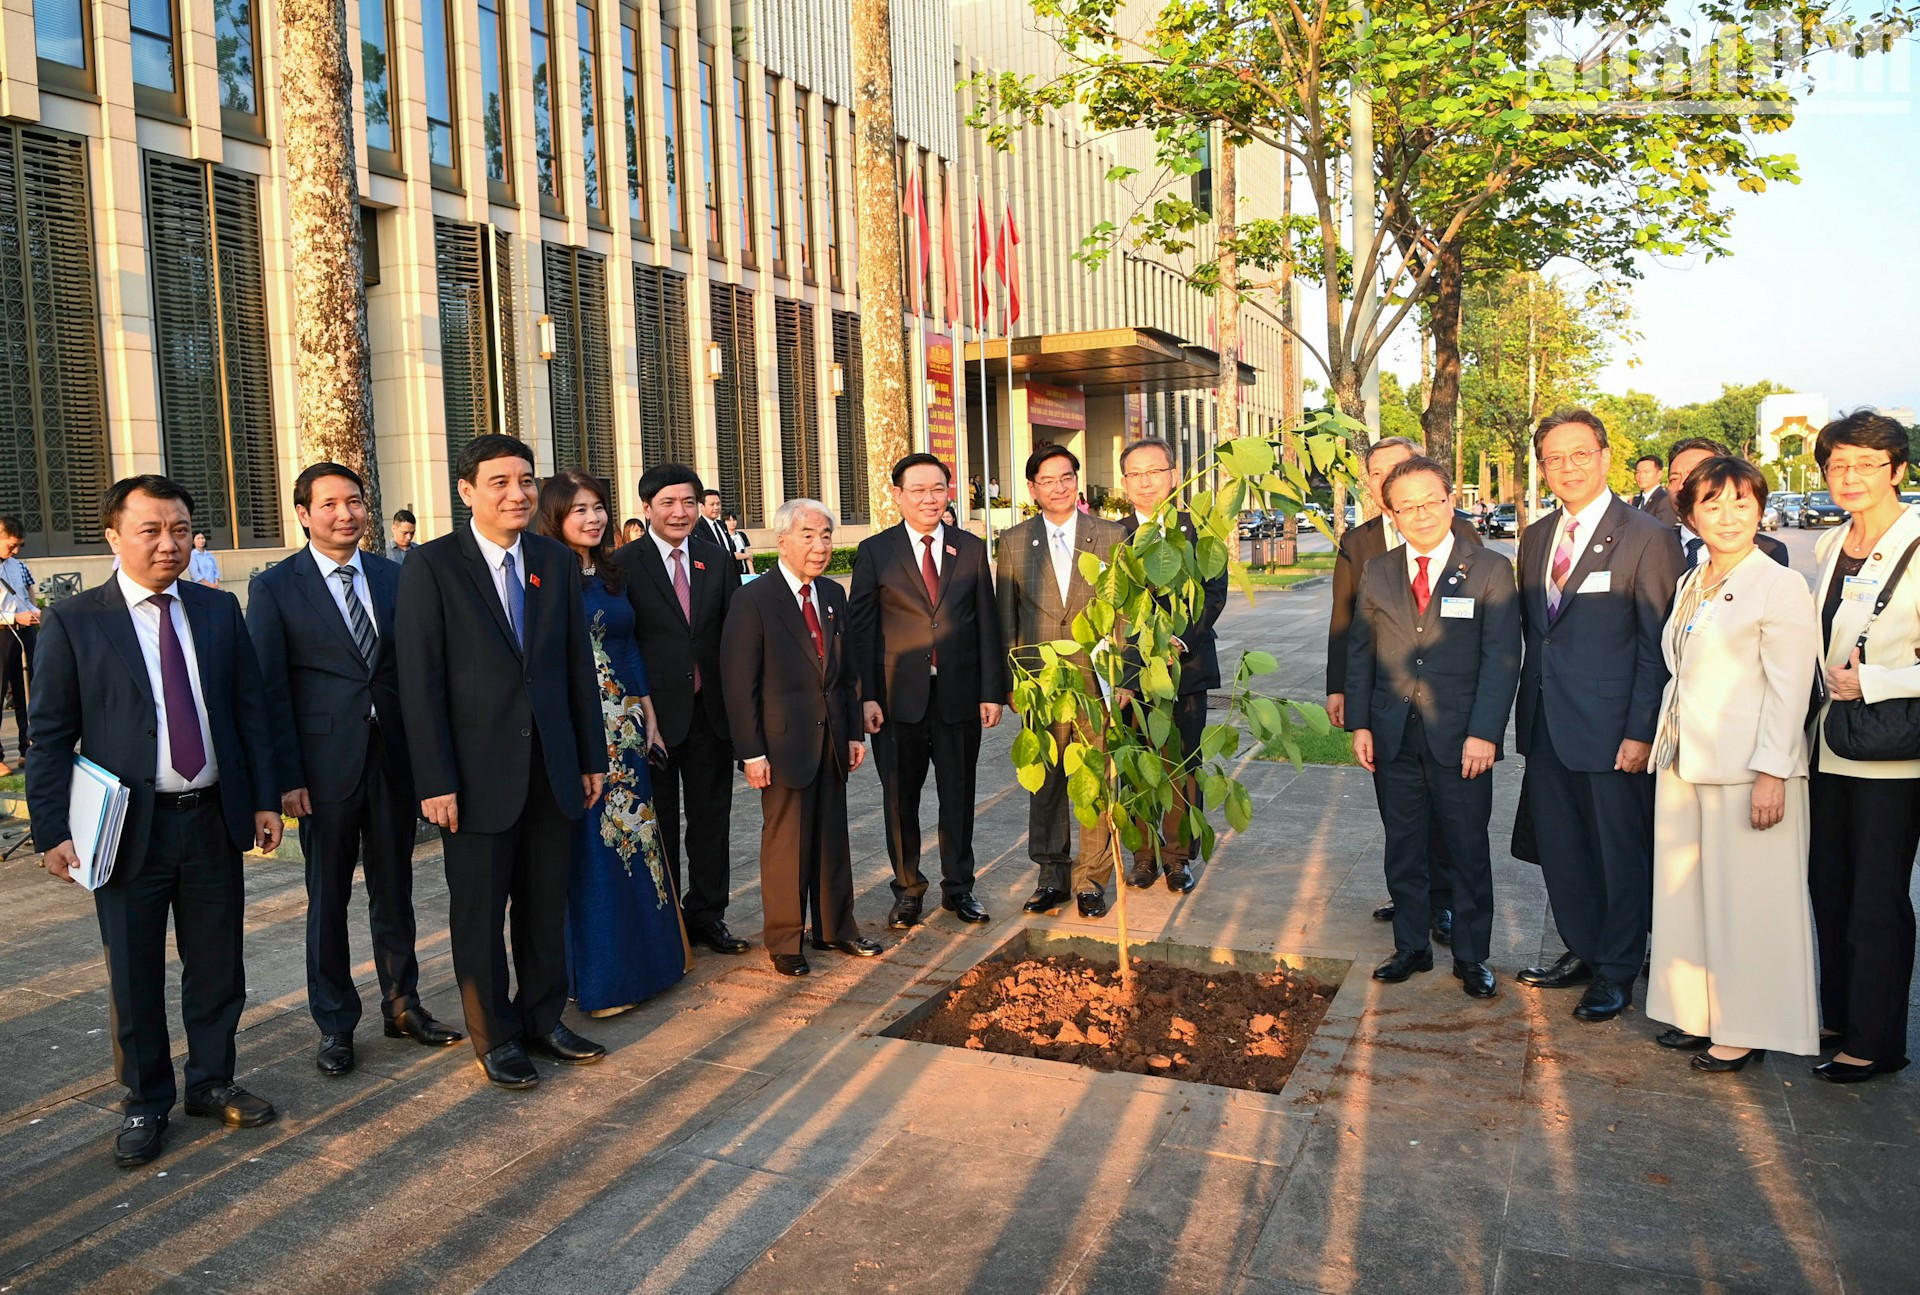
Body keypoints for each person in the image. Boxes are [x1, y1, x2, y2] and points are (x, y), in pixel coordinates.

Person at [26, 475, 283, 1168]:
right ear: (114, 535)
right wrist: (54, 830)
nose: (168, 543)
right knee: (134, 975)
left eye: (179, 529)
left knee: (217, 964)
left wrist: (263, 797)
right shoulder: (76, 621)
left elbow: (248, 710)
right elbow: (48, 735)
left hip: (210, 820)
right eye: (150, 530)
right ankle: (145, 1099)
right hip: (125, 830)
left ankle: (212, 1080)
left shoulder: (217, 609)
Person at [395, 434, 610, 1089]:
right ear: (466, 490)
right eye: (500, 482)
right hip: (473, 776)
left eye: (525, 480)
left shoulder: (552, 559)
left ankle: (544, 1017)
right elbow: (419, 682)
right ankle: (495, 1034)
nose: (517, 494)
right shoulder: (431, 566)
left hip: (553, 768)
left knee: (545, 904)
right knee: (480, 914)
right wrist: (434, 779)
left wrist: (589, 754)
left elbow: (575, 666)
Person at [247, 463, 460, 1078]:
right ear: (305, 514)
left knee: (395, 892)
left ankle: (403, 1004)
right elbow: (269, 688)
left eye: (355, 501)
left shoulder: (397, 578)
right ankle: (335, 1022)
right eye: (330, 504)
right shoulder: (276, 586)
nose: (346, 513)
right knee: (328, 900)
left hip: (392, 761)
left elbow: (419, 676)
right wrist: (285, 778)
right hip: (321, 770)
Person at [1645, 456, 1819, 1072]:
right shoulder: (1693, 580)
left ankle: (1748, 1027)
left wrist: (1773, 771)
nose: (1728, 516)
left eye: (1741, 503)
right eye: (1712, 505)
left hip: (1750, 772)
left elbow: (1790, 688)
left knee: (1750, 905)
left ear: (1760, 510)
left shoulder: (1779, 584)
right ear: (1689, 514)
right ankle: (1701, 1013)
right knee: (1689, 898)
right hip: (1687, 763)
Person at [1515, 409, 1685, 1022]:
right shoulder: (1535, 537)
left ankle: (1618, 969)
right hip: (1546, 726)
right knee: (1564, 850)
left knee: (1618, 852)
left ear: (1606, 456)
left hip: (1614, 731)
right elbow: (1542, 636)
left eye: (1579, 454)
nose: (1567, 467)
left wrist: (1641, 730)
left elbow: (1656, 646)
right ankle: (1582, 949)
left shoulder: (1647, 536)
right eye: (1554, 458)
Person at [1346, 457, 1520, 998]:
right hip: (1392, 733)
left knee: (1467, 848)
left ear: (1450, 501)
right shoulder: (1378, 571)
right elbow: (1360, 652)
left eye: (1430, 502)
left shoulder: (1490, 569)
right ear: (1390, 512)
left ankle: (1471, 956)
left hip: (1462, 737)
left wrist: (1486, 732)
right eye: (1407, 507)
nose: (1420, 515)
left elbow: (1501, 659)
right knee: (1403, 843)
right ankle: (1411, 947)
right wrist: (1360, 724)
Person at [536, 470, 690, 1015]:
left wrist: (647, 712)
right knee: (595, 850)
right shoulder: (542, 577)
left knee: (641, 842)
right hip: (581, 731)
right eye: (579, 510)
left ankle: (653, 964)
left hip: (627, 729)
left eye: (599, 507)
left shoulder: (610, 573)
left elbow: (627, 649)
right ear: (554, 515)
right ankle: (600, 981)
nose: (594, 518)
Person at [1326, 435, 1482, 938]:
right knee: (1400, 810)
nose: (1390, 479)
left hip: (1445, 710)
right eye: (1378, 473)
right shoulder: (1360, 544)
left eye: (1403, 468)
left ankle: (1445, 901)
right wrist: (1342, 693)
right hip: (1388, 705)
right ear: (1375, 488)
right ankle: (1410, 899)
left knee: (1449, 818)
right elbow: (1346, 625)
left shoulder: (1463, 538)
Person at [1805, 411, 1920, 1083]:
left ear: (1898, 470)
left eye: (1866, 465)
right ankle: (1841, 1012)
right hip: (1830, 746)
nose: (1849, 477)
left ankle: (1875, 1040)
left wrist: (1871, 680)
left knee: (1877, 896)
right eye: (1837, 465)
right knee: (1832, 886)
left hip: (1891, 754)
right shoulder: (1832, 544)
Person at [721, 498, 881, 976]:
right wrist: (751, 752)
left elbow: (847, 671)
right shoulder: (753, 599)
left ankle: (836, 928)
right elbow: (738, 682)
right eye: (808, 536)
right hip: (781, 743)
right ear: (782, 540)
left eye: (826, 535)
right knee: (786, 843)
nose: (820, 546)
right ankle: (786, 941)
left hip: (832, 738)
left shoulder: (832, 594)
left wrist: (853, 733)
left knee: (833, 838)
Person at [849, 453, 1007, 931]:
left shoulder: (972, 548)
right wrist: (867, 696)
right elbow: (861, 630)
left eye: (937, 488)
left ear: (949, 491)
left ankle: (960, 889)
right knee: (900, 797)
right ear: (897, 495)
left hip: (959, 695)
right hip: (897, 700)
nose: (928, 498)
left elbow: (988, 626)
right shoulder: (876, 551)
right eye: (917, 490)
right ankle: (907, 889)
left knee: (959, 794)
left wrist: (992, 691)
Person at [615, 464, 748, 956]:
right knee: (661, 823)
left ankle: (708, 914)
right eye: (668, 503)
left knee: (712, 821)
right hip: (652, 723)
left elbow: (734, 638)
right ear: (646, 508)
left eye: (688, 502)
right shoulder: (623, 564)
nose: (680, 511)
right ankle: (664, 922)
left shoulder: (717, 560)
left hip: (710, 714)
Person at [995, 444, 1127, 917]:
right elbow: (1005, 618)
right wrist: (1012, 683)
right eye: (1047, 480)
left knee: (1093, 778)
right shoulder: (1012, 542)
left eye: (1066, 476)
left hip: (1097, 684)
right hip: (1041, 684)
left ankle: (1091, 880)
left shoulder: (1111, 536)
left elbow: (1122, 613)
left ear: (1077, 480)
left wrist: (1124, 679)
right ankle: (1051, 876)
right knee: (1046, 781)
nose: (1059, 486)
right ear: (1032, 488)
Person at [1118, 436, 1228, 892]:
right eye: (1136, 474)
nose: (1146, 482)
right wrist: (1134, 658)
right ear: (1124, 483)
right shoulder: (1111, 535)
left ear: (1175, 476)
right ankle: (1142, 855)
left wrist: (1177, 642)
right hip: (1129, 674)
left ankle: (1178, 857)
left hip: (1186, 667)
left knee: (1182, 764)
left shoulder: (1201, 531)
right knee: (1137, 765)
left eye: (1155, 471)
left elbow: (1213, 594)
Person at [1665, 438, 1789, 568]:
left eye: (1695, 475)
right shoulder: (1652, 547)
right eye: (1674, 478)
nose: (1682, 486)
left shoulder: (1771, 553)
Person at [0, 515, 38, 775]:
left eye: (18, 546)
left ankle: (28, 748)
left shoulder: (17, 566)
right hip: (2, 633)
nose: (14, 551)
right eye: (10, 545)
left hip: (25, 631)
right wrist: (14, 617)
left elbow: (25, 597)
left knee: (29, 692)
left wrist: (36, 612)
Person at [724, 512, 754, 577]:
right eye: (729, 520)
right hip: (731, 573)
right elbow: (732, 555)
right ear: (724, 522)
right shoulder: (724, 537)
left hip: (744, 571)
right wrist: (747, 555)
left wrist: (752, 572)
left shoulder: (742, 535)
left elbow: (748, 554)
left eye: (734, 520)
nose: (732, 522)